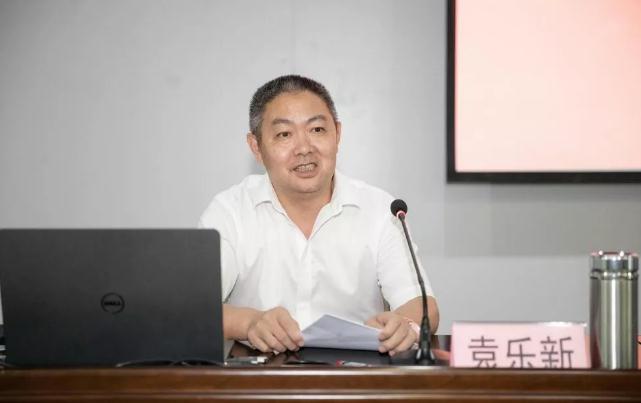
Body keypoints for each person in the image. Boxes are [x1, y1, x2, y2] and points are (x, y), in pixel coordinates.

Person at [199, 75, 439, 356]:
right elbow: (192, 307)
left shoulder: (380, 209)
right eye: (284, 134)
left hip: (356, 374)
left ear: (337, 134)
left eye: (316, 129)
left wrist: (404, 325)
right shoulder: (231, 210)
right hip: (259, 374)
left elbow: (423, 306)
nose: (304, 148)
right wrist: (249, 322)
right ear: (256, 147)